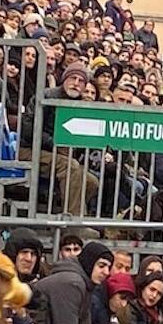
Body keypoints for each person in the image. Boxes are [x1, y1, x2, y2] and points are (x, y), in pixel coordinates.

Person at [20, 61, 100, 216]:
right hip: (30, 150)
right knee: (71, 166)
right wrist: (56, 144)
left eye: (81, 81)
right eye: (73, 78)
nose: (76, 84)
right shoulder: (47, 96)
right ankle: (73, 222)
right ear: (64, 79)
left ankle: (68, 215)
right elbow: (28, 129)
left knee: (91, 181)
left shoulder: (80, 105)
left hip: (58, 156)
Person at [31, 242, 114, 324]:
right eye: (101, 266)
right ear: (89, 263)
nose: (106, 272)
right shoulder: (72, 283)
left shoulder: (85, 283)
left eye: (109, 267)